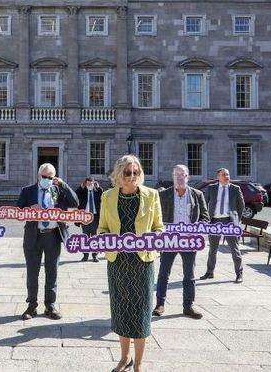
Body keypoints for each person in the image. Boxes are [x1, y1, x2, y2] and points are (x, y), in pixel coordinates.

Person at [98, 155, 163, 372]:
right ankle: (125, 358)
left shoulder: (151, 195)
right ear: (118, 175)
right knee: (121, 310)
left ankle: (140, 362)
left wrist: (154, 237)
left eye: (136, 172)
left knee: (141, 311)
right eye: (127, 173)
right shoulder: (107, 197)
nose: (132, 176)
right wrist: (104, 239)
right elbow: (102, 228)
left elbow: (159, 227)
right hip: (118, 262)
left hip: (141, 262)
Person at [17, 163, 79, 321]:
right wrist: (30, 209)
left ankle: (50, 305)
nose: (47, 180)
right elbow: (18, 210)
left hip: (53, 235)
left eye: (50, 177)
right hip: (33, 235)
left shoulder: (58, 190)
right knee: (32, 272)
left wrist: (63, 184)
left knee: (52, 271)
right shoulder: (28, 191)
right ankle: (32, 305)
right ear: (38, 176)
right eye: (44, 177)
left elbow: (75, 203)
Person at [154, 164, 209, 320]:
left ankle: (188, 305)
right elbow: (156, 218)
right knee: (163, 273)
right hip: (169, 241)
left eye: (182, 175)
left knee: (189, 275)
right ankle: (160, 304)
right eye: (176, 174)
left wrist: (201, 225)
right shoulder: (163, 195)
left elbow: (205, 217)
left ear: (188, 177)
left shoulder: (197, 195)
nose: (179, 177)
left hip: (188, 241)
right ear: (172, 177)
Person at [199, 168, 245, 283]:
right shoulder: (212, 188)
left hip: (229, 222)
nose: (226, 176)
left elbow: (241, 206)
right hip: (214, 221)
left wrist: (236, 220)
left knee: (234, 249)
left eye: (228, 174)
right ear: (218, 177)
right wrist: (205, 219)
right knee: (212, 250)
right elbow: (204, 204)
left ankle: (239, 274)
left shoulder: (235, 189)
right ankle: (210, 272)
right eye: (223, 175)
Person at [75, 177, 103, 262]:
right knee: (85, 237)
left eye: (91, 184)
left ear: (94, 183)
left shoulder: (97, 191)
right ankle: (85, 255)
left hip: (95, 217)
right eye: (88, 184)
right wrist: (81, 187)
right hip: (85, 217)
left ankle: (95, 255)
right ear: (85, 184)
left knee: (95, 237)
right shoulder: (83, 192)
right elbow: (75, 195)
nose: (90, 185)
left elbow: (104, 195)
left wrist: (98, 188)